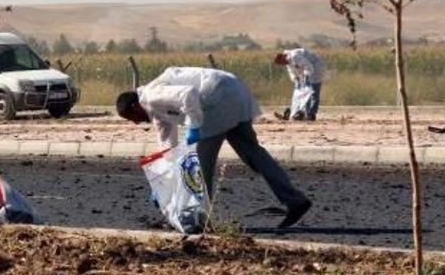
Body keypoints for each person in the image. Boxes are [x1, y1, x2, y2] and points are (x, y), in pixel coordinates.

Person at [116, 66, 312, 229]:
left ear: (135, 106)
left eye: (131, 118)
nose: (135, 123)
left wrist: (194, 127)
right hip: (233, 91)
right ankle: (296, 201)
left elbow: (188, 94)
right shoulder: (156, 111)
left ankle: (197, 220)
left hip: (217, 98)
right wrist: (163, 181)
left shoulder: (152, 96)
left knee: (198, 167)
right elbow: (168, 145)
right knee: (254, 153)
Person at [274, 48, 326, 121]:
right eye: (281, 64)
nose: (283, 65)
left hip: (316, 67)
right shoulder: (287, 61)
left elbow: (309, 66)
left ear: (283, 57)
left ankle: (311, 114)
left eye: (282, 63)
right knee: (298, 93)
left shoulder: (295, 56)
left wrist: (305, 78)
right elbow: (292, 72)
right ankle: (294, 112)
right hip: (306, 71)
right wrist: (296, 79)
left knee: (313, 92)